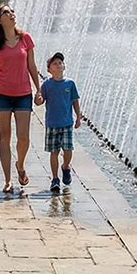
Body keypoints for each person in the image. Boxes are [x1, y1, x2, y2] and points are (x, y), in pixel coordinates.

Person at [0, 3, 42, 192]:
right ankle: (8, 179)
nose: (11, 15)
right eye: (6, 13)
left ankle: (20, 165)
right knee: (4, 137)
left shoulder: (25, 38)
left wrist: (38, 90)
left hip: (23, 93)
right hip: (1, 93)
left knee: (23, 137)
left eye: (12, 11)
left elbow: (32, 66)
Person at [36, 51, 82, 193]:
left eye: (60, 63)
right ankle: (55, 178)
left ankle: (66, 166)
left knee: (68, 150)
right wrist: (37, 100)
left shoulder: (70, 84)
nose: (58, 65)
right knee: (54, 152)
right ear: (49, 70)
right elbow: (40, 100)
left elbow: (75, 101)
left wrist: (78, 117)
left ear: (64, 66)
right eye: (55, 64)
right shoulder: (46, 85)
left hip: (67, 123)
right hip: (52, 123)